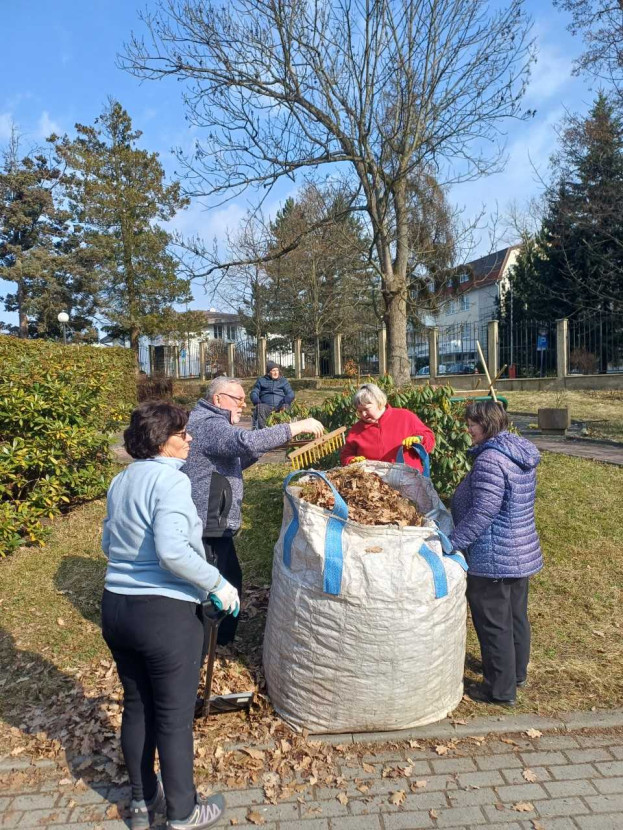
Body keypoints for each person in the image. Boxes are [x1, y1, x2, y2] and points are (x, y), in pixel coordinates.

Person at [101, 402, 239, 830]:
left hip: (117, 607)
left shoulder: (121, 480)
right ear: (163, 441)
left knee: (137, 707)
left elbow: (109, 542)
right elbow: (173, 550)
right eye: (183, 433)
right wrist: (217, 584)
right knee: (174, 719)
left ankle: (142, 803)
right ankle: (183, 811)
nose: (190, 438)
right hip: (164, 615)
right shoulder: (172, 482)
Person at [183, 375, 324, 645]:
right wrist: (293, 427)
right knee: (215, 581)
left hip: (213, 514)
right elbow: (243, 442)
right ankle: (208, 643)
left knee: (228, 575)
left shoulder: (208, 421)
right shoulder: (210, 423)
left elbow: (233, 460)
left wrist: (269, 444)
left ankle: (218, 640)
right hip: (207, 517)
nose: (243, 405)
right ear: (218, 399)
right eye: (237, 399)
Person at [449, 400, 543, 707]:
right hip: (520, 551)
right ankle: (516, 674)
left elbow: (484, 511)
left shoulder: (490, 459)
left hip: (492, 555)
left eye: (472, 423)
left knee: (493, 623)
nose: (468, 428)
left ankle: (500, 691)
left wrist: (454, 542)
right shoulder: (517, 452)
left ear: (487, 425)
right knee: (515, 616)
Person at [339, 382, 435, 473]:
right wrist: (351, 461)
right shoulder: (356, 430)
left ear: (379, 402)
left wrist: (419, 439)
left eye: (366, 409)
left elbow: (429, 438)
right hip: (373, 484)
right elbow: (346, 455)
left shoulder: (405, 417)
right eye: (359, 411)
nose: (363, 414)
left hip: (408, 479)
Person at [249, 361, 295, 429]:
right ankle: (263, 432)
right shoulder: (261, 380)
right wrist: (257, 400)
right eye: (273, 370)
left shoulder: (283, 381)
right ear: (268, 372)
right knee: (260, 407)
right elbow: (254, 392)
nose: (276, 372)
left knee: (286, 406)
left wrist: (285, 401)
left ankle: (284, 431)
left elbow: (291, 393)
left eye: (277, 370)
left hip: (280, 406)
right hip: (266, 407)